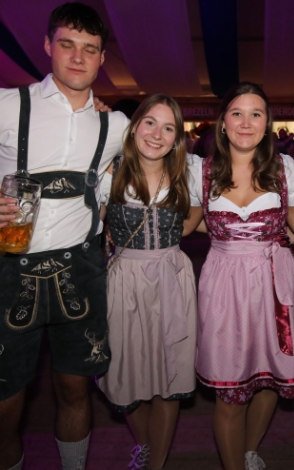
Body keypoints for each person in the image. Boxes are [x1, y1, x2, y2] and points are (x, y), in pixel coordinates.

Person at [0, 2, 129, 470]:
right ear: (48, 45)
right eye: (67, 44)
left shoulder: (115, 125)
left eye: (89, 49)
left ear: (102, 58)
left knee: (75, 389)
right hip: (7, 269)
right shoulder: (4, 104)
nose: (78, 57)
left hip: (81, 268)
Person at [193, 82, 294, 470]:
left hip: (273, 281)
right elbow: (183, 223)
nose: (246, 122)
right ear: (223, 122)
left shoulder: (286, 169)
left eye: (256, 114)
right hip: (224, 284)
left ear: (267, 122)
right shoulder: (200, 171)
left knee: (271, 377)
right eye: (237, 113)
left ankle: (250, 450)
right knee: (229, 391)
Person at [95, 94, 203, 470]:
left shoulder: (190, 171)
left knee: (171, 370)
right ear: (134, 126)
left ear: (176, 139)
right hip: (124, 279)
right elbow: (91, 221)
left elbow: (193, 218)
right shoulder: (109, 171)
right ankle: (143, 442)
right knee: (122, 370)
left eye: (168, 128)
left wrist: (172, 236)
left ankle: (156, 462)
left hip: (172, 279)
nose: (157, 134)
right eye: (150, 123)